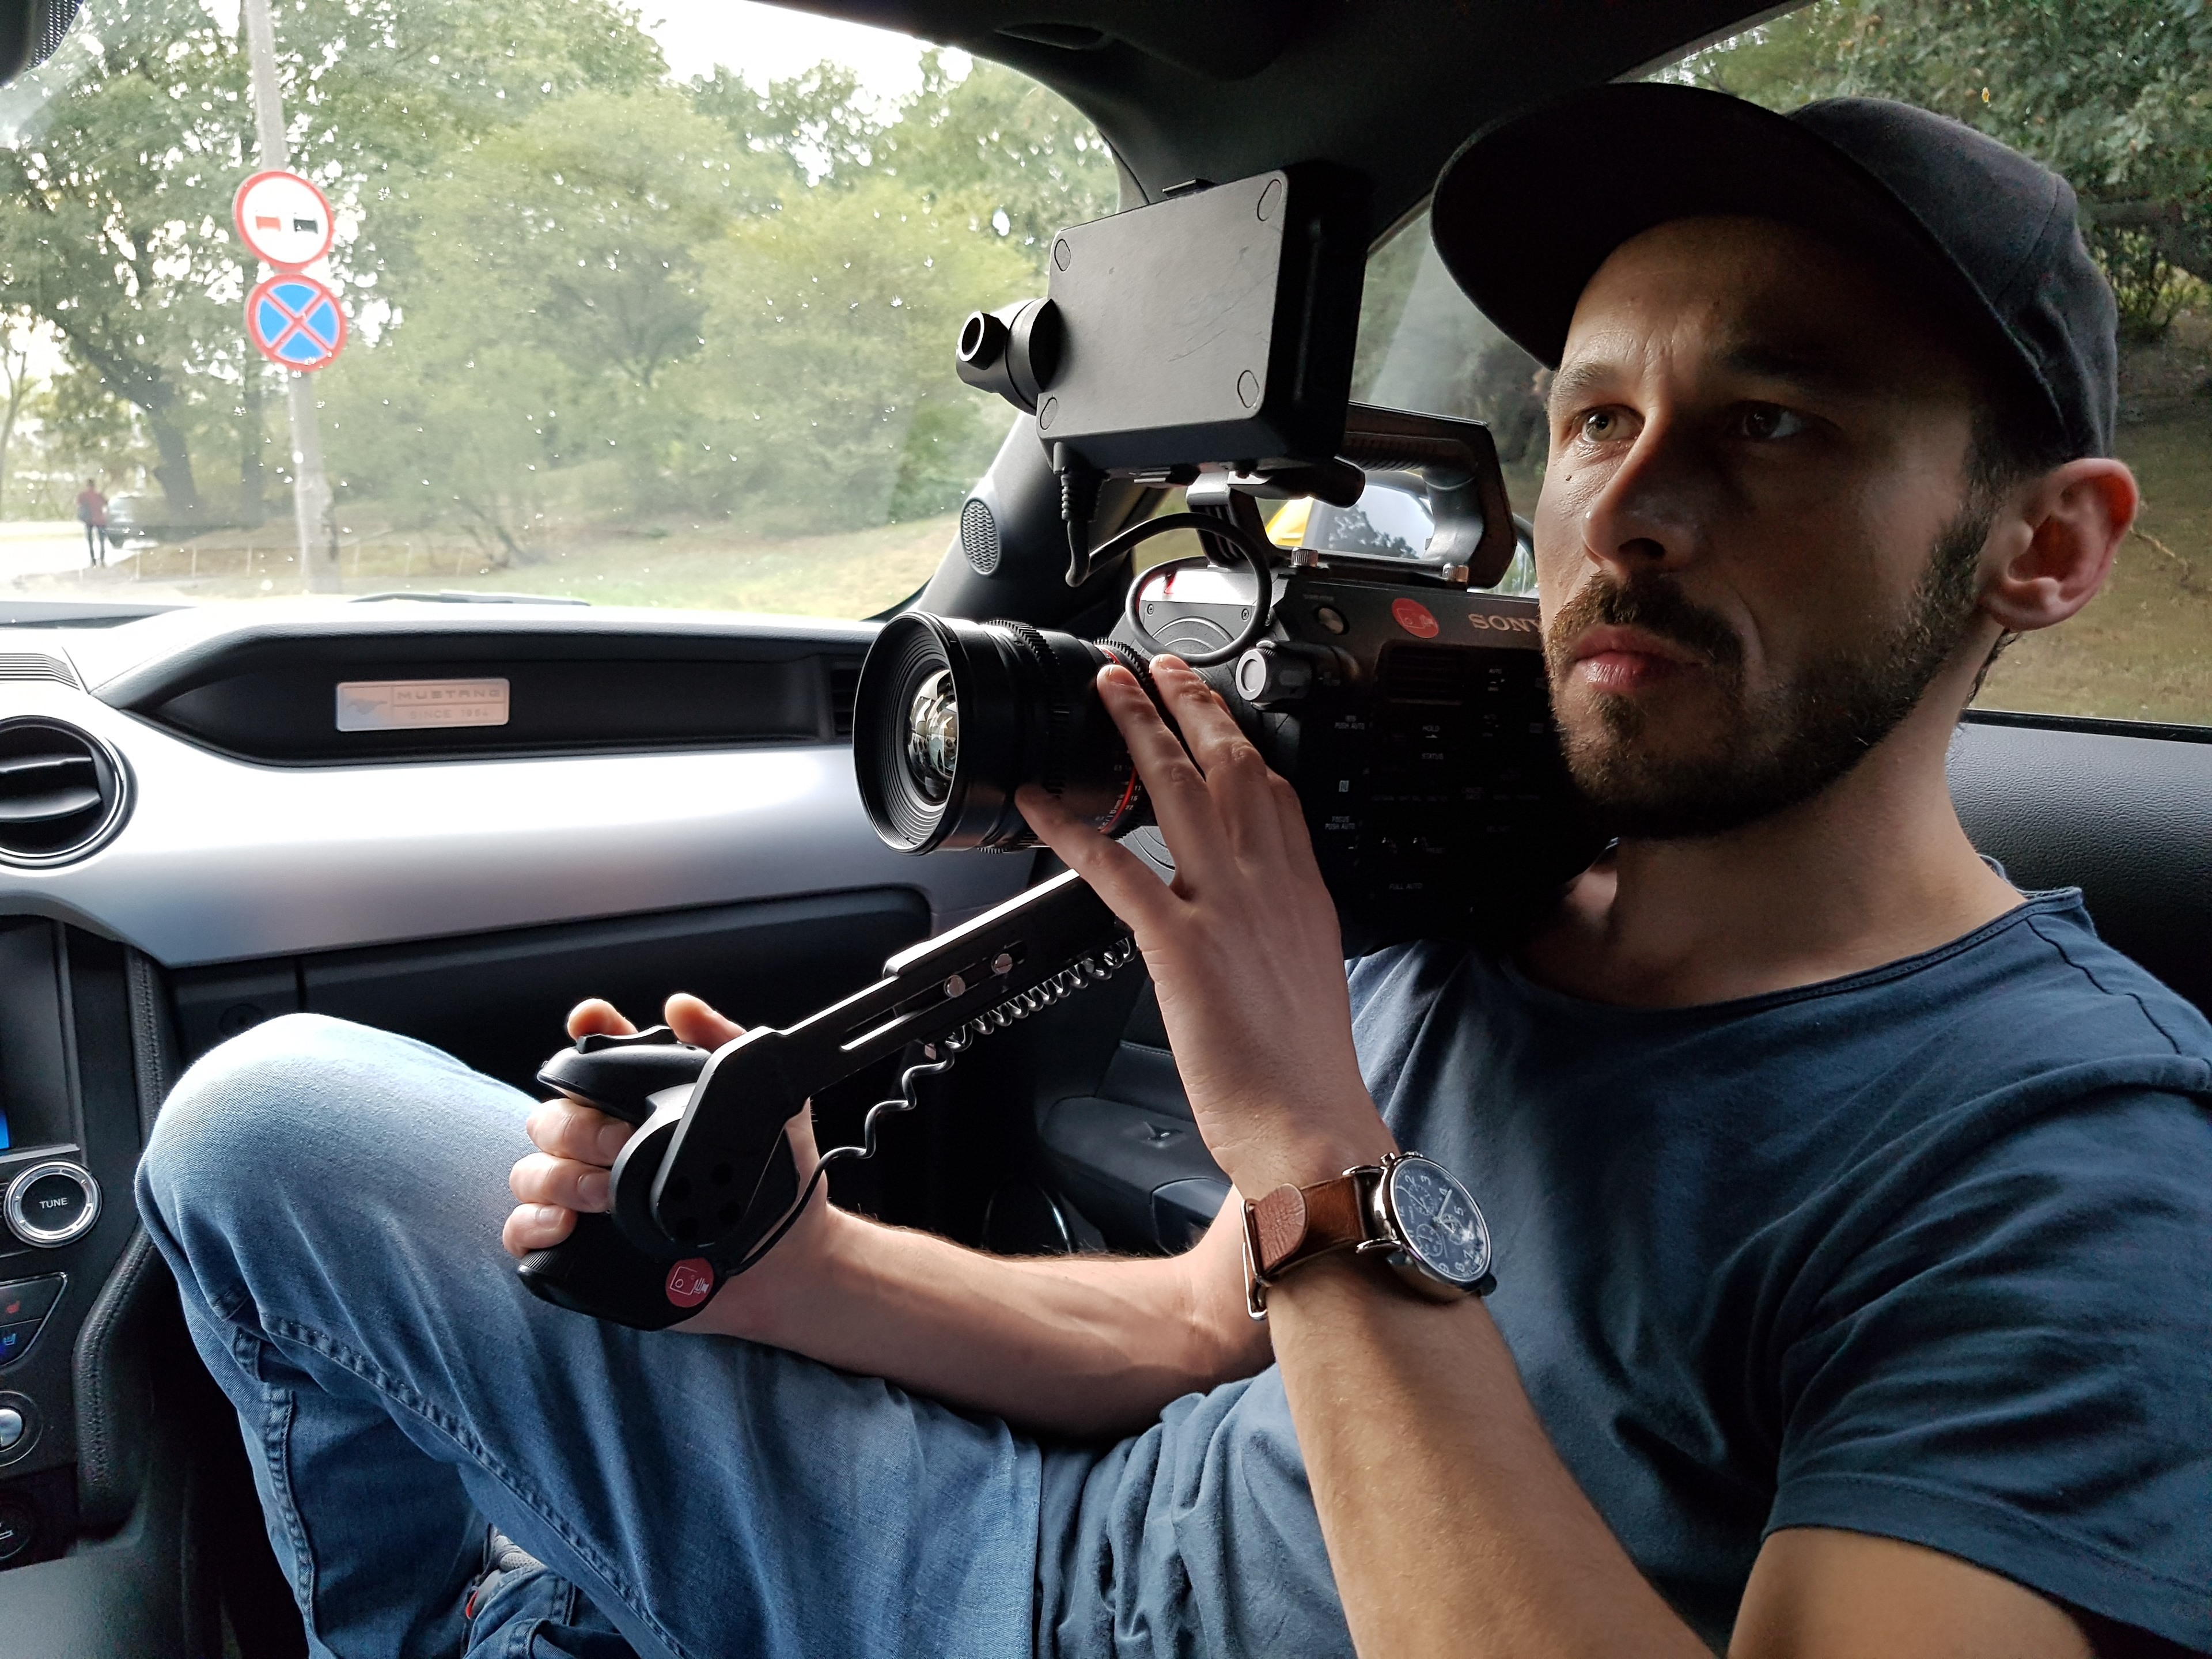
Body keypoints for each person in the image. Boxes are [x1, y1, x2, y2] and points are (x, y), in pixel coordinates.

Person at [137, 85, 2210, 1659]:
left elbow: (1306, 1233)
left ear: (2043, 547)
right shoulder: (1488, 896)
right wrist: (792, 1268)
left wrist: (1309, 1134)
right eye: (1592, 419)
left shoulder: (2073, 1164)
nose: (1629, 509)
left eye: (1770, 425)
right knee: (268, 1117)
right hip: (1029, 1552)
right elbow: (1201, 1328)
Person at [74, 477, 107, 567]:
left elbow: (78, 504)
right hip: (100, 520)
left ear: (87, 485)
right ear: (94, 485)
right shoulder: (99, 495)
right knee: (102, 541)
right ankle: (102, 560)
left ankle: (93, 560)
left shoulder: (83, 495)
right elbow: (106, 503)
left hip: (89, 520)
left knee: (90, 541)